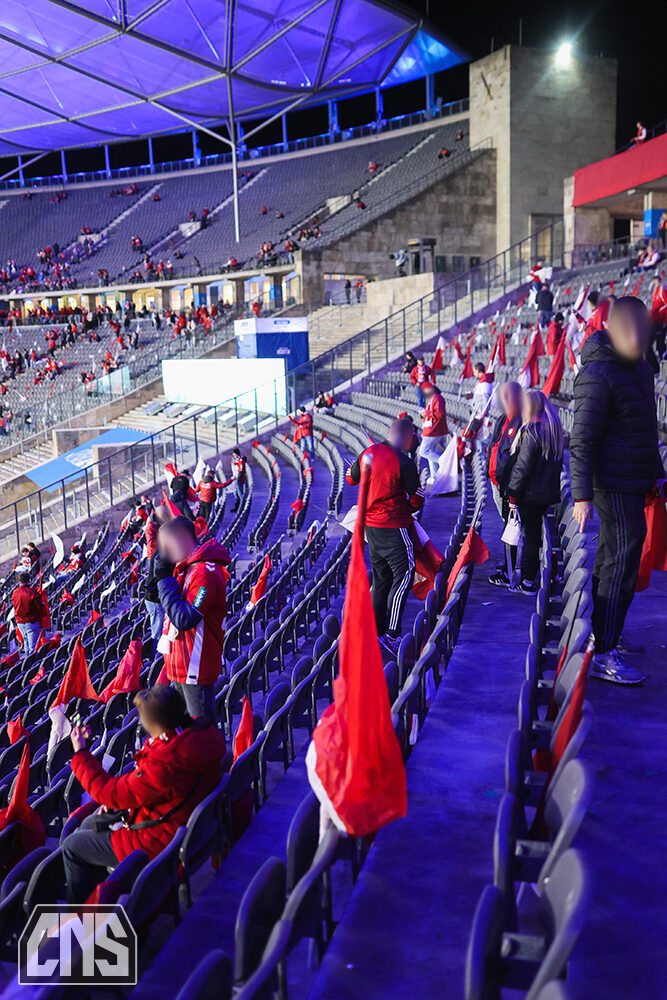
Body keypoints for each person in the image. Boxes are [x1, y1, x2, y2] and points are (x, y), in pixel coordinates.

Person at [571, 296, 664, 685]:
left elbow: (646, 429)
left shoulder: (639, 369)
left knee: (617, 561)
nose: (637, 337)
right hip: (612, 484)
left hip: (635, 480)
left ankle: (607, 632)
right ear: (610, 328)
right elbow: (583, 437)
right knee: (619, 563)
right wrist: (581, 496)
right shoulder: (599, 372)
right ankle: (604, 651)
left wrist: (657, 473)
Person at [62, 685, 226, 902]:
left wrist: (81, 752)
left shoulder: (163, 765)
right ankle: (103, 889)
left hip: (157, 840)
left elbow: (108, 793)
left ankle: (83, 919)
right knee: (89, 824)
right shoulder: (199, 734)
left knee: (72, 846)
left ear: (156, 724)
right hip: (178, 820)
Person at [346, 419, 424, 655]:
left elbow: (351, 479)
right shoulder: (404, 462)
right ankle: (392, 634)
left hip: (371, 529)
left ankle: (376, 631)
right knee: (404, 576)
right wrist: (406, 508)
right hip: (393, 526)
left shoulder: (367, 453)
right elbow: (417, 497)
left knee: (381, 580)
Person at [154, 517, 230, 723]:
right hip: (180, 665)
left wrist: (164, 579)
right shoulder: (187, 567)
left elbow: (184, 618)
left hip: (195, 666)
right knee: (188, 735)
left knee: (200, 736)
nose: (165, 552)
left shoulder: (205, 573)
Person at [505, 389, 564, 595]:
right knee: (534, 535)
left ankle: (528, 580)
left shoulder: (531, 432)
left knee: (528, 537)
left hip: (529, 494)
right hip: (545, 494)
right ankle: (531, 577)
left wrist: (512, 495)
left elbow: (522, 468)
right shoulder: (553, 430)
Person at [487, 381, 523, 587]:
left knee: (512, 529)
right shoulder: (503, 419)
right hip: (497, 483)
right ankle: (509, 566)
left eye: (507, 396)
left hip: (508, 485)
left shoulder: (519, 421)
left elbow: (515, 457)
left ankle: (512, 573)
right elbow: (496, 446)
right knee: (507, 527)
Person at [144, 504, 171, 644]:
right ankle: (156, 657)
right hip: (154, 600)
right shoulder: (159, 558)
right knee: (157, 631)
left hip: (156, 598)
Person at [419, 383, 449, 481]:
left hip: (434, 430)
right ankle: (434, 476)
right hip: (432, 429)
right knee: (431, 452)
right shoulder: (433, 399)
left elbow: (440, 414)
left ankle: (442, 461)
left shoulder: (438, 398)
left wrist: (426, 413)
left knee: (423, 451)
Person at [11, 572, 45, 655]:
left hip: (20, 623)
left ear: (19, 581)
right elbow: (40, 606)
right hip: (31, 622)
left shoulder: (15, 593)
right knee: (33, 648)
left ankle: (28, 664)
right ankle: (31, 666)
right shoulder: (32, 593)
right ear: (29, 580)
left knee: (26, 644)